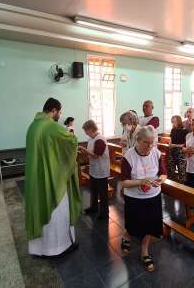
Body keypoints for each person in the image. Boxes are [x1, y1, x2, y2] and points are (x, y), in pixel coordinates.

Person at [25, 98, 81, 256]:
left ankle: (39, 249)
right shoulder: (51, 126)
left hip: (37, 177)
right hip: (52, 177)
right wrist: (72, 136)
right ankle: (58, 248)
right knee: (58, 212)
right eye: (59, 111)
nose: (60, 115)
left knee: (39, 207)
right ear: (54, 110)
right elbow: (71, 141)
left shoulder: (33, 126)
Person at [120, 126, 167, 272]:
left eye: (153, 142)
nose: (150, 146)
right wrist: (140, 182)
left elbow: (163, 173)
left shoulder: (156, 153)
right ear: (137, 140)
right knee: (133, 224)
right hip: (134, 197)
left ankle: (144, 251)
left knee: (149, 224)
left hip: (153, 196)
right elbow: (124, 182)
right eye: (147, 142)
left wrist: (160, 180)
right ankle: (127, 236)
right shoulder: (128, 156)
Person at [79, 120, 110, 220]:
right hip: (94, 169)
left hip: (101, 170)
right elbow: (90, 153)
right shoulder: (91, 139)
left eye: (86, 131)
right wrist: (84, 152)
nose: (85, 133)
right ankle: (94, 207)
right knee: (93, 190)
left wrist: (85, 151)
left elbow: (96, 155)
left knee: (103, 193)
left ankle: (104, 213)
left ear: (91, 129)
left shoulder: (100, 140)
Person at [167, 115, 188, 183]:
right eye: (172, 122)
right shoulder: (173, 130)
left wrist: (174, 145)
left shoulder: (185, 131)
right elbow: (171, 140)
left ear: (179, 121)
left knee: (181, 172)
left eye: (174, 122)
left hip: (181, 153)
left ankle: (182, 188)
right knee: (171, 171)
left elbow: (185, 144)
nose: (173, 123)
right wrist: (170, 144)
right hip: (172, 152)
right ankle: (172, 186)